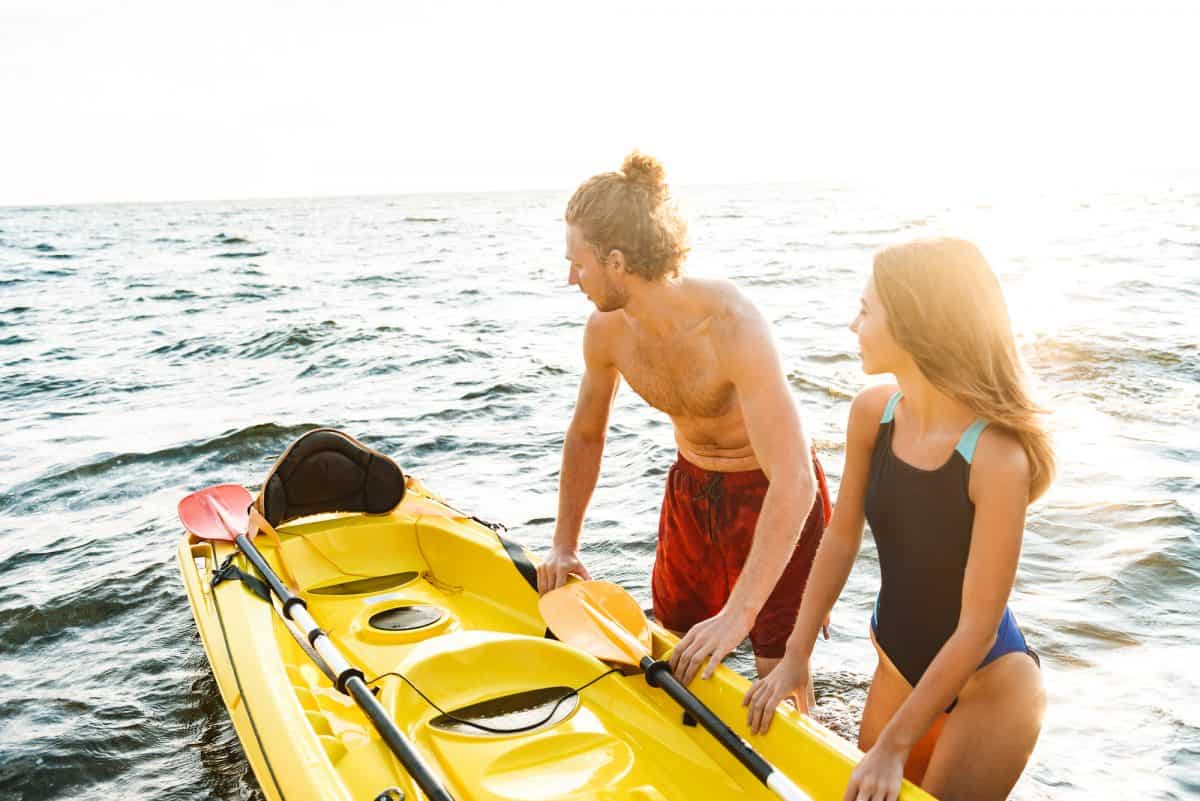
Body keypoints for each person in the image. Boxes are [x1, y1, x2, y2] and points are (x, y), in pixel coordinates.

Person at [742, 238, 1053, 801]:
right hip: (897, 666)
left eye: (865, 310)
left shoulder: (996, 459)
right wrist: (796, 655)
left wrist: (894, 745)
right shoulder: (872, 414)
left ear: (915, 323)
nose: (852, 324)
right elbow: (840, 538)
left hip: (990, 686)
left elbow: (977, 627)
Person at [535, 151, 832, 683]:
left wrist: (738, 615)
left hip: (774, 493)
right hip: (692, 494)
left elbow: (796, 481)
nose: (571, 278)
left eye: (578, 263)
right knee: (674, 656)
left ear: (617, 262)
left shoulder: (731, 324)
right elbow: (586, 434)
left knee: (776, 670)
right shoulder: (606, 332)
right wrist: (564, 543)